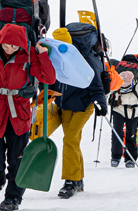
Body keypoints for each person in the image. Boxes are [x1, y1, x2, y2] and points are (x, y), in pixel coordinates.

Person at [0, 23, 56, 211]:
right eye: (7, 46)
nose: (10, 50)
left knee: (18, 158)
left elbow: (48, 78)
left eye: (15, 47)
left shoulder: (30, 54)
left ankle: (13, 196)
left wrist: (42, 54)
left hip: (20, 113)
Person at [43, 27, 108, 199]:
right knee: (72, 142)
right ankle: (78, 180)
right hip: (64, 106)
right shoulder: (54, 59)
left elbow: (95, 85)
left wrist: (101, 103)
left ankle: (70, 181)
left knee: (70, 139)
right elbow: (51, 82)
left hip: (84, 105)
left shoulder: (83, 60)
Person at [109, 68, 138, 168]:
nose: (124, 84)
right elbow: (108, 96)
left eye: (126, 82)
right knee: (117, 133)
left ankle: (130, 158)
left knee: (131, 135)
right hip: (118, 110)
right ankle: (115, 157)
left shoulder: (137, 86)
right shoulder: (116, 83)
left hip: (133, 112)